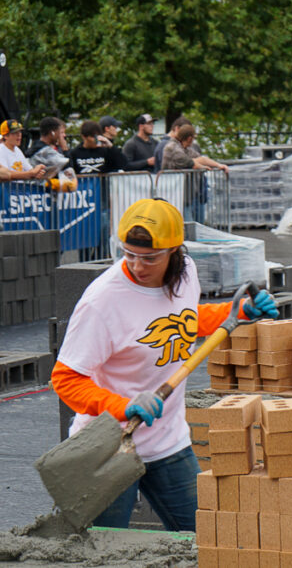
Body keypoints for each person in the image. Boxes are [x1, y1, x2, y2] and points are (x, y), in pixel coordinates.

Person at [50, 198, 279, 530]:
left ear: (175, 251)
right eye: (128, 254)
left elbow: (182, 321)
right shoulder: (102, 302)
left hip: (168, 442)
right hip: (107, 448)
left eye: (149, 258)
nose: (138, 266)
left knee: (206, 538)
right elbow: (66, 379)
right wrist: (123, 405)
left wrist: (239, 311)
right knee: (101, 550)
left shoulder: (186, 274)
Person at [160, 124, 229, 173]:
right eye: (194, 138)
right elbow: (190, 163)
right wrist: (204, 167)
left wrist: (219, 165)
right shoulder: (173, 147)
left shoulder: (185, 148)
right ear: (189, 138)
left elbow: (202, 159)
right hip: (171, 186)